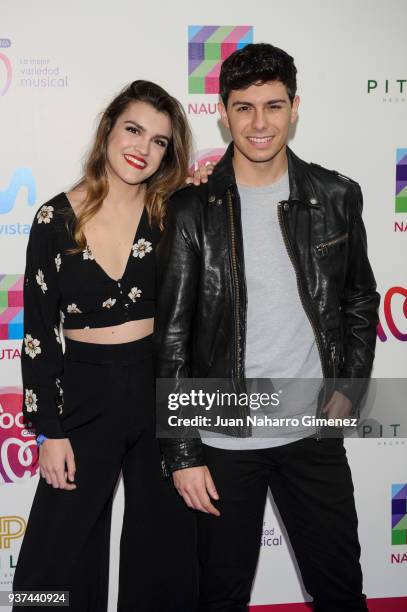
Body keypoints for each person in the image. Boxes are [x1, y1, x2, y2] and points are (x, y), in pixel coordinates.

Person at [154, 44, 380, 611]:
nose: (260, 123)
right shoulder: (191, 210)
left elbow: (358, 297)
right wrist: (183, 452)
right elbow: (173, 339)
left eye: (273, 106)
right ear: (222, 112)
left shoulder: (336, 196)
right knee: (222, 597)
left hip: (312, 435)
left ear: (295, 106)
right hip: (225, 441)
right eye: (245, 107)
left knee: (340, 591)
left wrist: (348, 390)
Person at [13, 79, 212, 612]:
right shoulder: (54, 220)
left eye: (159, 141)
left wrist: (211, 184)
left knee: (166, 547)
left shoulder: (173, 213)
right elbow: (38, 336)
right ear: (108, 130)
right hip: (84, 393)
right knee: (55, 559)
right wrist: (49, 432)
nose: (142, 148)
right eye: (133, 129)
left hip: (159, 390)